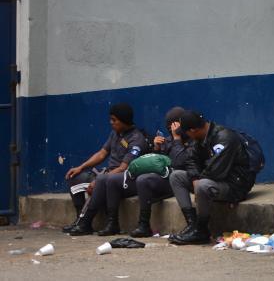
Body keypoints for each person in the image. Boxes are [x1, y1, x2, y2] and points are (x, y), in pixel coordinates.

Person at [168, 111, 255, 244]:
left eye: (187, 132)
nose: (187, 136)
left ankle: (201, 230)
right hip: (212, 181)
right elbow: (191, 160)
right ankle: (192, 225)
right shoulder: (199, 138)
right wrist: (194, 178)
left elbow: (216, 171)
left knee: (203, 185)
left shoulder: (224, 138)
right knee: (176, 176)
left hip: (234, 185)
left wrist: (198, 182)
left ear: (193, 130)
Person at [63, 103, 148, 236]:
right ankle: (79, 218)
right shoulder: (115, 134)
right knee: (74, 177)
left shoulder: (136, 139)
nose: (111, 123)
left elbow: (123, 168)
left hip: (121, 178)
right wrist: (80, 167)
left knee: (102, 180)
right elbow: (102, 153)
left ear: (124, 121)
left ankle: (85, 223)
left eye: (114, 120)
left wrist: (98, 180)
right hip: (106, 173)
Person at [127, 106, 193, 238]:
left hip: (182, 181)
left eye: (174, 126)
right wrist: (156, 148)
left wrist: (177, 139)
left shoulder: (192, 138)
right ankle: (143, 225)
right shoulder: (168, 140)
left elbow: (179, 163)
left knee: (167, 177)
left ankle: (192, 225)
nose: (172, 130)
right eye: (169, 127)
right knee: (142, 179)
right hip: (166, 179)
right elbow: (158, 163)